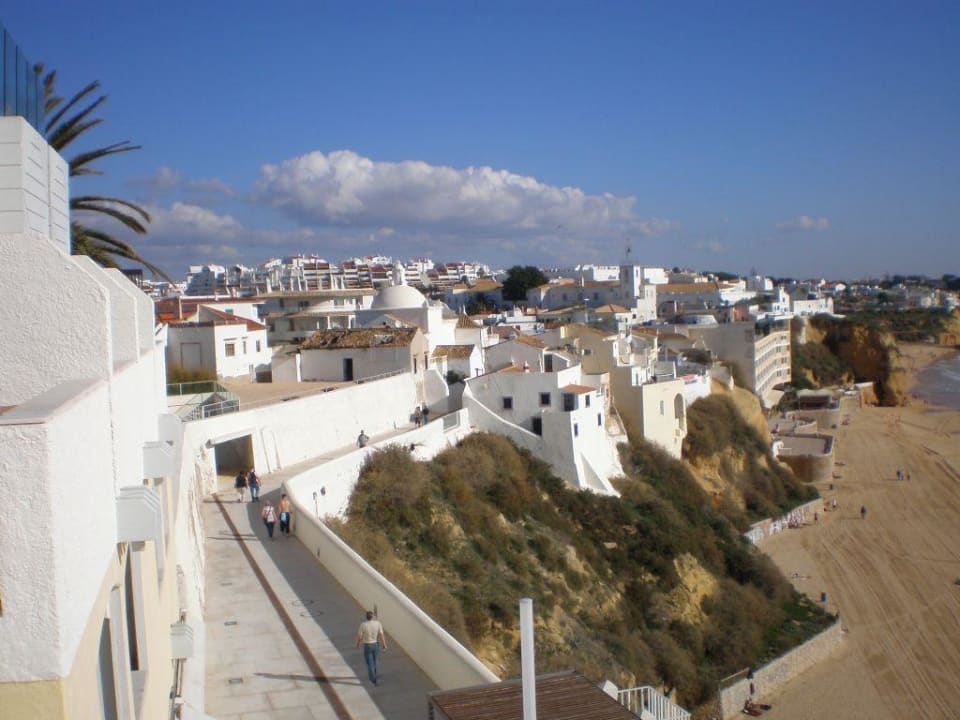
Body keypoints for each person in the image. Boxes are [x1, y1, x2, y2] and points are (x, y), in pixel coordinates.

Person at [356, 610, 387, 685]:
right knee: (374, 660)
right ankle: (375, 674)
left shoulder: (363, 625)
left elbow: (360, 636)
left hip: (367, 645)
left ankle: (373, 679)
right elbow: (381, 635)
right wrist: (384, 644)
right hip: (376, 644)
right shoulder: (378, 623)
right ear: (372, 617)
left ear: (366, 617)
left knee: (369, 663)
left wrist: (357, 643)